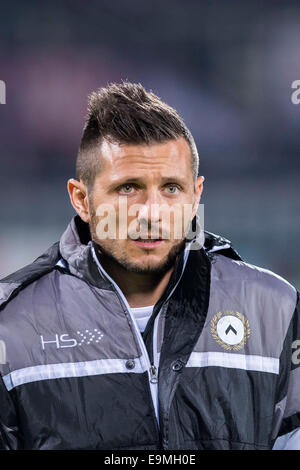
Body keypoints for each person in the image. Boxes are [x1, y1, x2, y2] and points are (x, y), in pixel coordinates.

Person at [0, 82, 299, 450]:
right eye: (128, 188)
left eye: (171, 188)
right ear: (81, 199)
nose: (151, 213)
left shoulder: (277, 309)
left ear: (196, 196)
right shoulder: (11, 325)